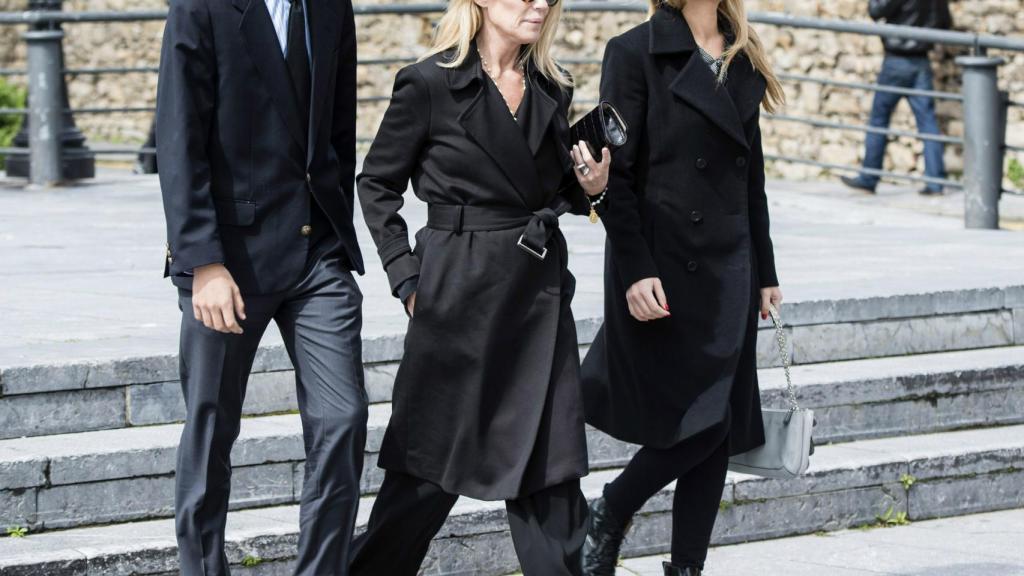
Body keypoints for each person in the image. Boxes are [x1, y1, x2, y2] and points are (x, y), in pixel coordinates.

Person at [349, 0, 611, 572]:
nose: (540, 5)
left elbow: (548, 189)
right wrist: (408, 279)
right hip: (455, 297)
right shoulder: (427, 84)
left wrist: (590, 185)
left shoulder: (551, 87)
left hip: (535, 296)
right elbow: (376, 186)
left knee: (552, 477)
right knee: (422, 480)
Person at [156, 1, 367, 574]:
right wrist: (202, 262)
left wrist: (336, 224)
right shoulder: (201, 8)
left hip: (318, 254)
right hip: (229, 262)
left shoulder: (330, 7)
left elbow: (337, 129)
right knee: (211, 427)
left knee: (342, 418)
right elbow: (178, 139)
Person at [579, 0, 784, 575]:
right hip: (666, 265)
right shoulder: (634, 52)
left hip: (732, 270)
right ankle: (613, 508)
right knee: (706, 419)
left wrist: (765, 270)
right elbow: (614, 179)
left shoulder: (741, 58)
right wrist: (635, 268)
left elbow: (753, 180)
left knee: (716, 424)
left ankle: (686, 567)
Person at [841, 0, 953, 195]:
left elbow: (876, 10)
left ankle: (868, 179)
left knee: (878, 120)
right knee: (928, 123)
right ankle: (935, 183)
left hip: (896, 61)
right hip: (921, 61)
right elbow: (945, 21)